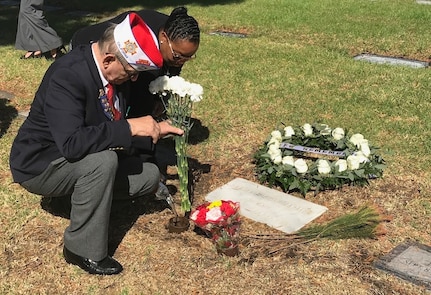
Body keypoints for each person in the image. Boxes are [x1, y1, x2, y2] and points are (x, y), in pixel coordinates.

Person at [9, 12, 184, 275]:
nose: (133, 79)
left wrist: (153, 129)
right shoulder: (67, 75)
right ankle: (82, 249)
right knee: (103, 162)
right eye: (131, 72)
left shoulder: (113, 73)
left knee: (148, 176)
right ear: (109, 59)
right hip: (41, 163)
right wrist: (130, 126)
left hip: (74, 160)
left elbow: (106, 126)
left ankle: (69, 200)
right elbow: (72, 144)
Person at [70, 6, 200, 119]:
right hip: (86, 49)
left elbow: (171, 71)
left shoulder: (176, 33)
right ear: (164, 38)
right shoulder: (144, 50)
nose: (181, 62)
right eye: (178, 56)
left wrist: (159, 100)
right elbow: (139, 98)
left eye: (188, 57)